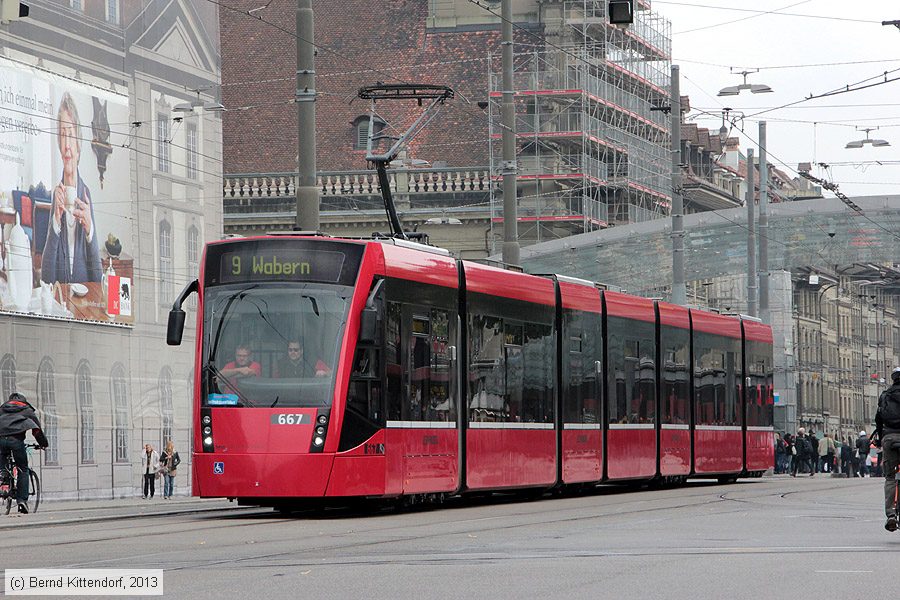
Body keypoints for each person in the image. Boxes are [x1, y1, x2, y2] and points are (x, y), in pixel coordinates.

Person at [41, 92, 102, 284]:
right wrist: (56, 223)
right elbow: (46, 278)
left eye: (70, 134)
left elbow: (97, 278)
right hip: (61, 305)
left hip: (84, 306)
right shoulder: (56, 196)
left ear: (78, 143)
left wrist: (90, 230)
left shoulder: (86, 196)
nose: (67, 145)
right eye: (62, 135)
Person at [0, 393, 48, 514]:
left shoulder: (2, 409)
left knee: (3, 464)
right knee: (23, 468)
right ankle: (22, 501)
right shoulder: (26, 410)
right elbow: (36, 430)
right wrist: (43, 443)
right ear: (24, 401)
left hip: (0, 440)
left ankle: (4, 479)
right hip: (16, 441)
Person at [875, 366, 900, 531]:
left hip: (889, 438)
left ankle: (891, 514)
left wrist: (879, 437)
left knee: (890, 477)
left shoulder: (885, 395)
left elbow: (878, 418)